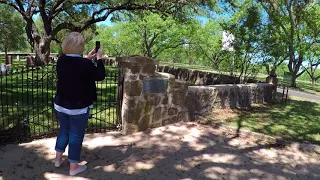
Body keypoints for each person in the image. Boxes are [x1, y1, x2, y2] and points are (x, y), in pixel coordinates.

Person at [53, 32, 106, 176]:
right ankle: (74, 167)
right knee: (76, 136)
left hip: (61, 104)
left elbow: (73, 68)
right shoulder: (84, 65)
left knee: (64, 131)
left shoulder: (61, 60)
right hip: (79, 108)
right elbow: (100, 75)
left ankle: (58, 160)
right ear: (80, 46)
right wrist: (99, 58)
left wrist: (87, 59)